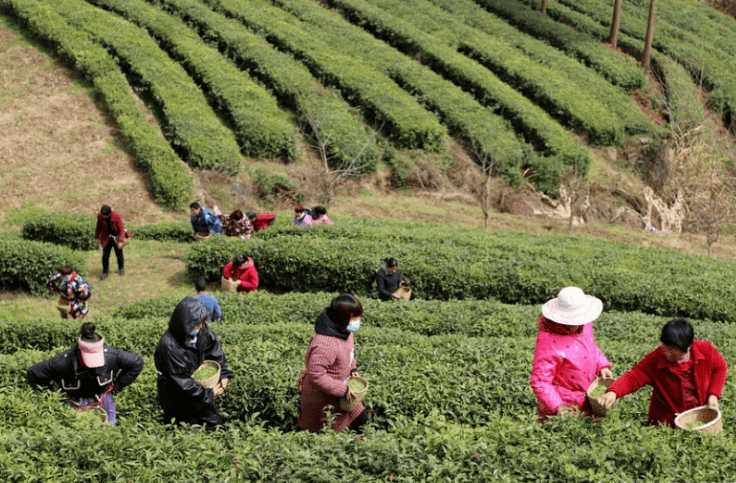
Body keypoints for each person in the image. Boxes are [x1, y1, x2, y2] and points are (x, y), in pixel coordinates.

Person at [599, 318, 727, 427]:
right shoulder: (656, 359)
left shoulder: (705, 350)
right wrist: (613, 391)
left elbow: (720, 368)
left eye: (672, 350)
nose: (666, 352)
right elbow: (634, 376)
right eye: (665, 347)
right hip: (666, 423)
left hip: (700, 415)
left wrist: (713, 395)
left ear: (688, 347)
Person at [27, 322, 144, 426]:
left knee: (110, 431)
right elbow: (33, 373)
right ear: (79, 351)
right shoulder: (62, 363)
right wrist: (51, 394)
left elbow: (137, 363)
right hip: (73, 399)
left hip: (103, 397)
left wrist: (118, 385)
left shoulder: (111, 356)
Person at [529, 287, 613, 421]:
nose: (580, 322)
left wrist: (602, 366)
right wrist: (558, 407)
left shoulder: (584, 326)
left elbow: (591, 348)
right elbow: (540, 381)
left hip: (586, 397)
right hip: (563, 404)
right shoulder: (548, 341)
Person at [154, 297, 234, 429]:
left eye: (202, 322)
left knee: (214, 425)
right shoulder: (169, 346)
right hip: (176, 395)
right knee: (179, 427)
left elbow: (214, 351)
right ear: (185, 324)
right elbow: (181, 382)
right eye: (197, 324)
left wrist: (224, 374)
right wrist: (208, 394)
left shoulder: (202, 331)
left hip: (198, 389)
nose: (201, 326)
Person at [297, 293, 369, 433]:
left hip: (343, 392)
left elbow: (350, 353)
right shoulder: (325, 343)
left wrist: (352, 368)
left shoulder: (346, 332)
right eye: (354, 318)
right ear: (342, 319)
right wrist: (342, 389)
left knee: (363, 421)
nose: (358, 321)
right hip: (323, 397)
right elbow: (316, 375)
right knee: (324, 431)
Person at [94, 204, 126, 279]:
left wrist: (121, 240)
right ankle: (105, 272)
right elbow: (98, 227)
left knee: (119, 253)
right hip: (106, 237)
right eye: (102, 215)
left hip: (116, 236)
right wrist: (97, 237)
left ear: (109, 214)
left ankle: (121, 268)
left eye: (104, 216)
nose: (103, 217)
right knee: (105, 255)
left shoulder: (117, 216)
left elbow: (121, 229)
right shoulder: (100, 216)